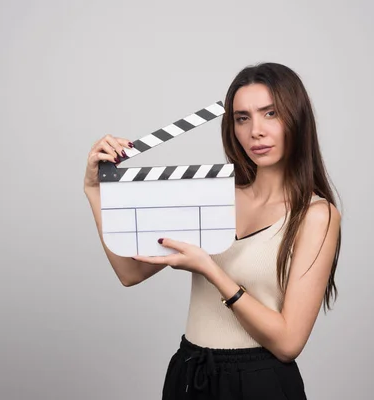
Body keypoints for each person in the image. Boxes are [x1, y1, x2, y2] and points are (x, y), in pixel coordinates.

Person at [83, 62, 342, 399]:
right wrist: (94, 190)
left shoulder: (316, 215)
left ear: (296, 119)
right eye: (242, 118)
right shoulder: (211, 195)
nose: (256, 131)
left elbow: (288, 344)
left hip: (258, 382)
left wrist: (210, 269)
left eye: (271, 113)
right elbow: (130, 272)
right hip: (191, 372)